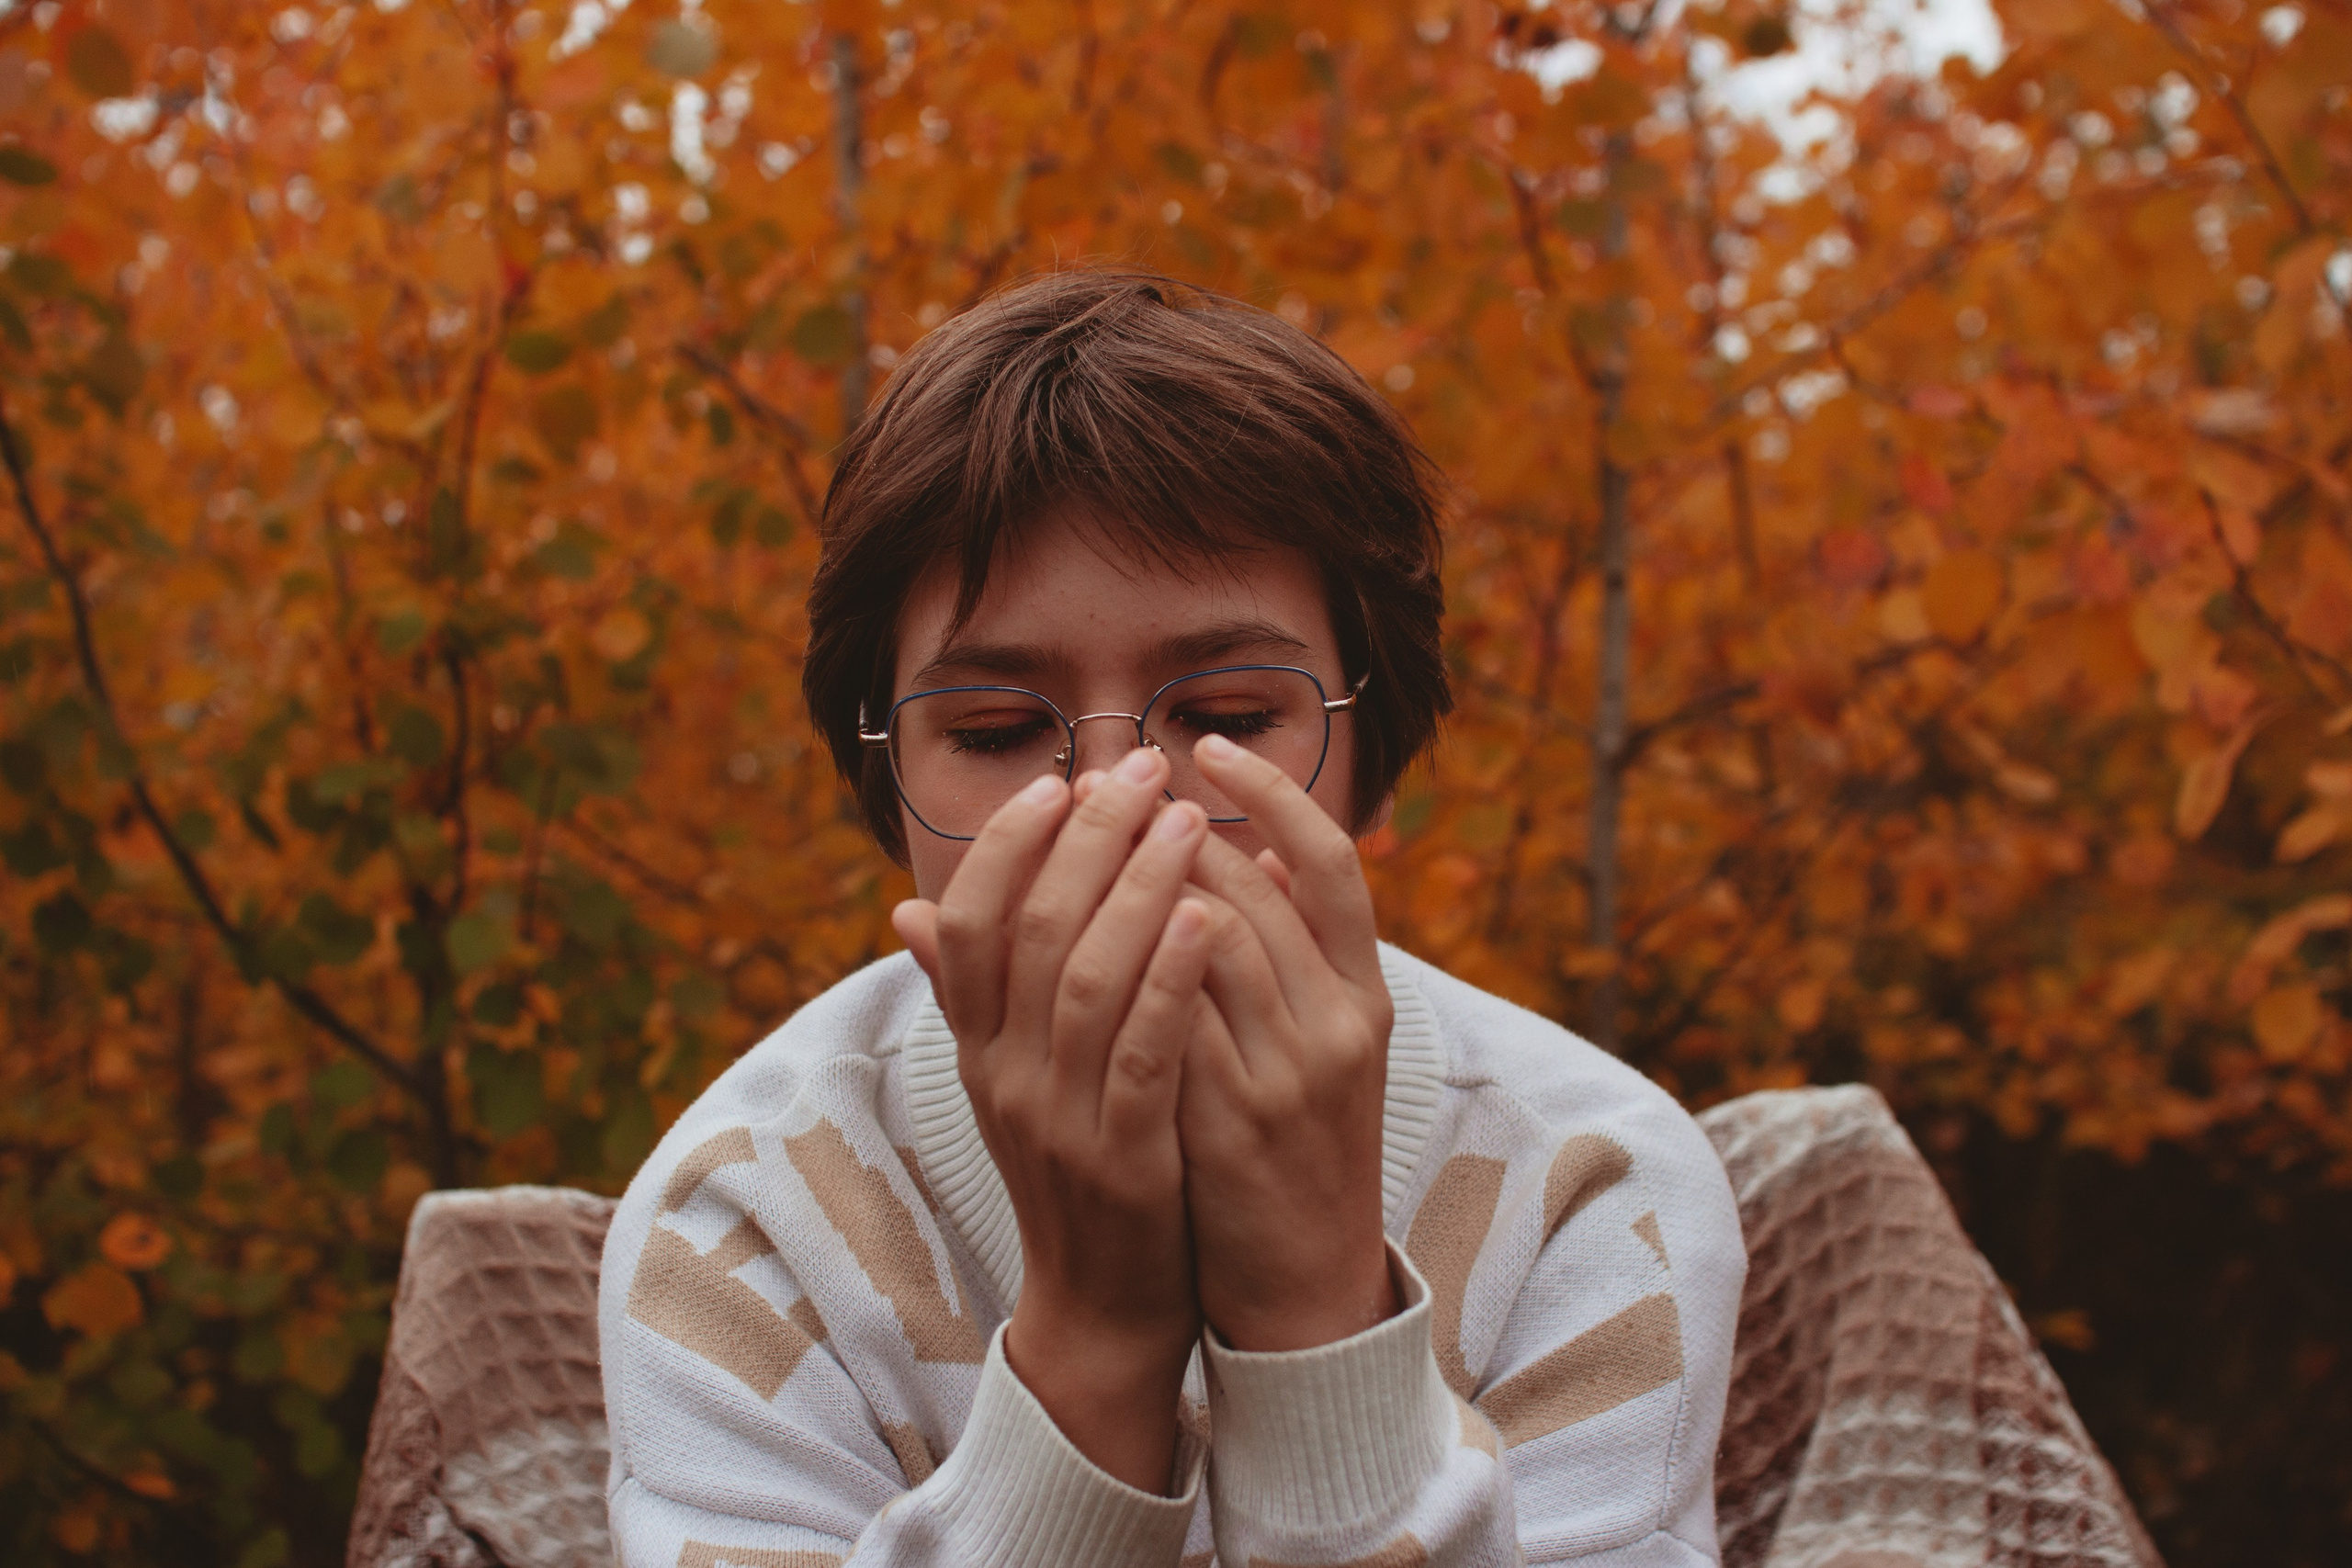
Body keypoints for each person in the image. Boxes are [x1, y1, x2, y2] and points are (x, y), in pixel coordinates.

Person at [597, 269, 1744, 1567]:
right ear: (889, 779)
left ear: (1370, 748)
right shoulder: (748, 1227)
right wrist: (1092, 1339)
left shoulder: (1591, 1192)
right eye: (996, 730)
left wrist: (1320, 1320)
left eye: (1229, 718)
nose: (1119, 805)